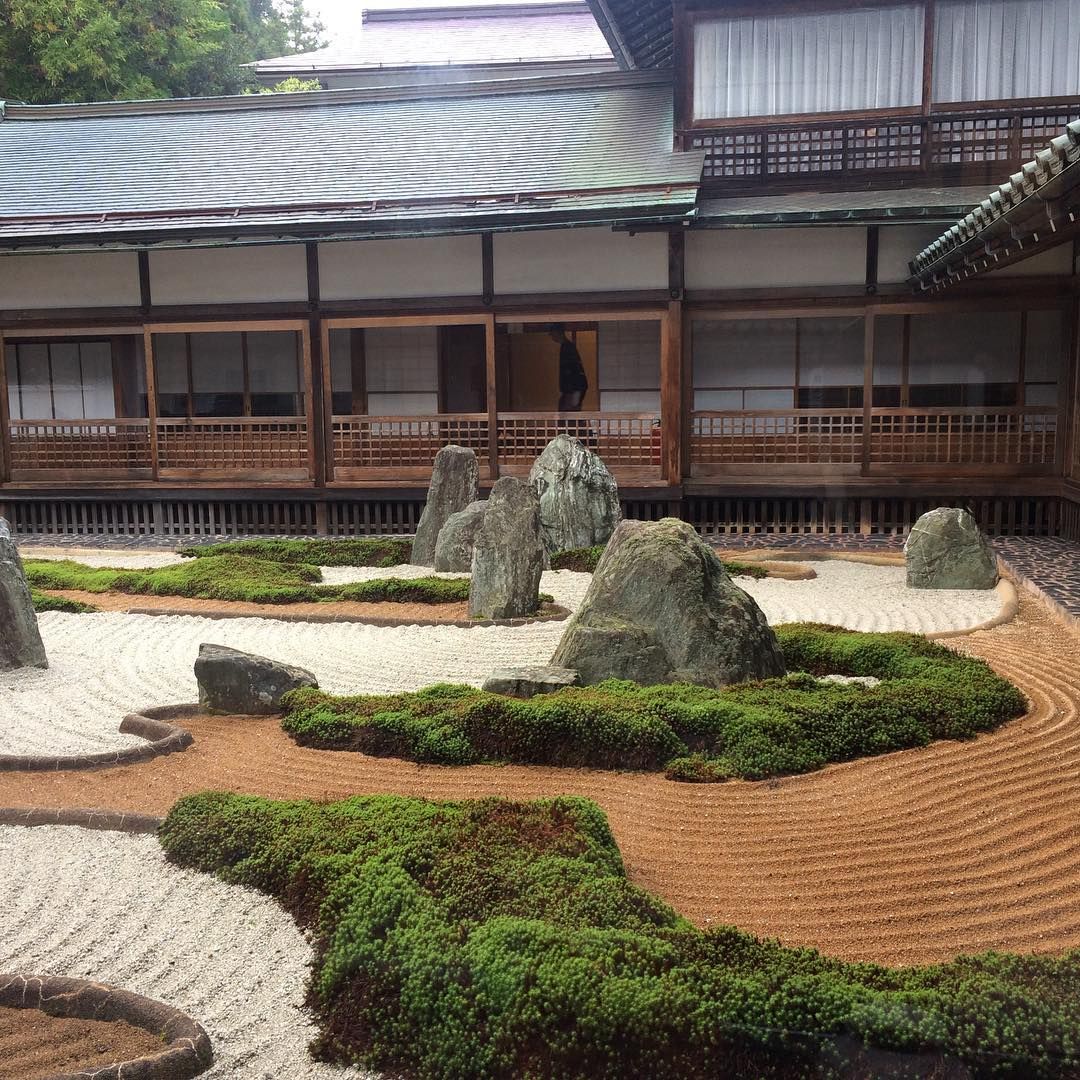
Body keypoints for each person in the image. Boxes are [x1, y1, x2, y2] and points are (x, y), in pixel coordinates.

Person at [549, 324, 587, 411]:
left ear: (558, 333)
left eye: (552, 334)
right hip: (572, 389)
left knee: (570, 413)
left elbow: (573, 370)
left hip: (574, 388)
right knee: (568, 412)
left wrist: (573, 391)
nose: (552, 337)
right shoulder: (566, 346)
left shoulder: (568, 347)